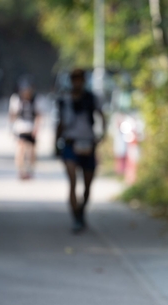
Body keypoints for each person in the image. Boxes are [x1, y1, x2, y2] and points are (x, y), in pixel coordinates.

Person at [55, 68, 106, 233]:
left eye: (80, 79)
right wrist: (56, 143)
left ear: (84, 81)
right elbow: (60, 123)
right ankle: (75, 217)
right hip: (70, 143)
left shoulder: (91, 98)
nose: (77, 82)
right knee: (72, 182)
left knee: (88, 184)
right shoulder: (65, 100)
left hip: (88, 143)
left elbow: (102, 116)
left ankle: (82, 211)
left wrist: (102, 135)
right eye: (74, 79)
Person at [9, 78, 42, 180]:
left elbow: (39, 114)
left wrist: (37, 127)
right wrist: (11, 127)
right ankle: (21, 170)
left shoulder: (35, 99)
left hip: (31, 128)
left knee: (32, 151)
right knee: (20, 149)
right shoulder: (16, 99)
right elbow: (12, 115)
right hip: (20, 128)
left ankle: (30, 170)